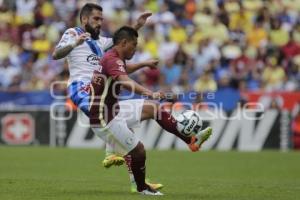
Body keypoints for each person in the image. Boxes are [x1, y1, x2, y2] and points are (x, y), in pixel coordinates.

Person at [52, 3, 162, 192]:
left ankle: (134, 179)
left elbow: (121, 41)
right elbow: (56, 54)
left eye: (101, 19)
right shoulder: (72, 33)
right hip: (81, 89)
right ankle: (111, 151)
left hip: (99, 89)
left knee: (119, 123)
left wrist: (137, 26)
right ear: (84, 19)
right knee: (108, 118)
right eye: (96, 19)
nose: (100, 23)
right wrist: (74, 43)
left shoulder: (101, 42)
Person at [90, 26, 212, 195]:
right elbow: (125, 81)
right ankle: (142, 188)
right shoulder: (112, 59)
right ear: (124, 43)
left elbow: (124, 69)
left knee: (153, 108)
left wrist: (143, 64)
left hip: (112, 109)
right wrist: (150, 92)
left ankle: (192, 140)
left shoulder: (114, 58)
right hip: (103, 118)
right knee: (138, 151)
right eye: (134, 45)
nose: (135, 49)